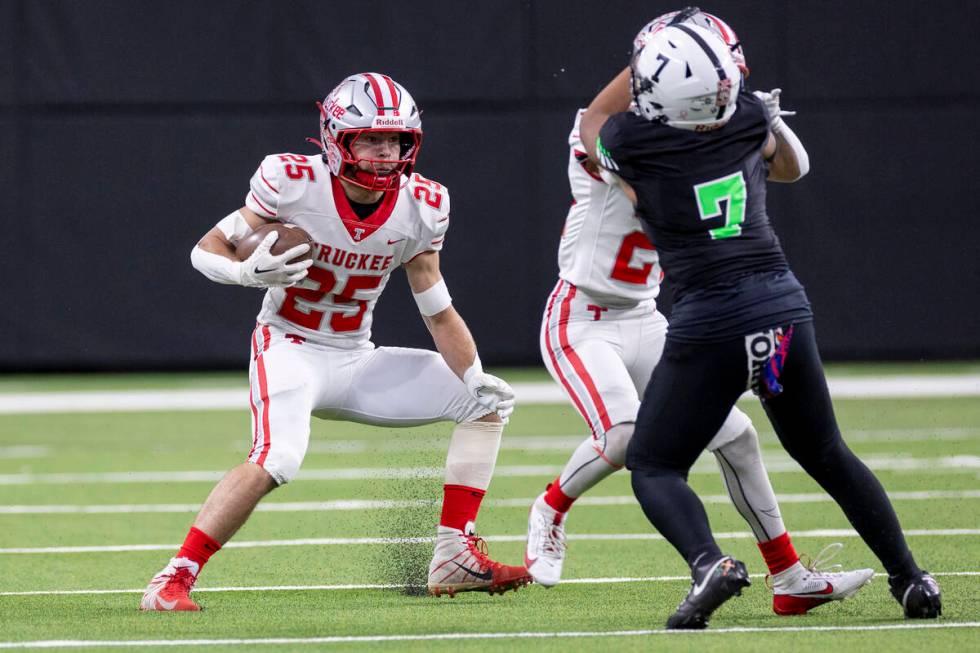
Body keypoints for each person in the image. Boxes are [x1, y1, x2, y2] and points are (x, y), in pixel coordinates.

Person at [578, 21, 941, 629]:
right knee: (825, 450)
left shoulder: (633, 140)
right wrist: (764, 114)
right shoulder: (747, 118)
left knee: (655, 466)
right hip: (781, 310)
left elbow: (592, 121)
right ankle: (910, 577)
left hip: (709, 324)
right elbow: (793, 167)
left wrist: (647, 59)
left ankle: (708, 564)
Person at [140, 72, 530, 611]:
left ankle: (452, 554)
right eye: (370, 139)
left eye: (394, 141)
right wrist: (245, 273)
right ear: (335, 138)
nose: (383, 153)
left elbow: (438, 312)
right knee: (279, 458)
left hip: (355, 357)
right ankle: (173, 578)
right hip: (289, 347)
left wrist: (473, 373)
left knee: (486, 404)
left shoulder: (424, 204)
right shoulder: (290, 180)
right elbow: (207, 248)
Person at [527, 13, 873, 617]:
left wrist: (753, 120)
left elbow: (792, 169)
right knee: (628, 436)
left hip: (650, 317)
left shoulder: (692, 139)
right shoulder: (623, 140)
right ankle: (551, 506)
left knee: (738, 437)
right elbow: (594, 121)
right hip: (582, 318)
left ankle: (788, 576)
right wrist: (685, 76)